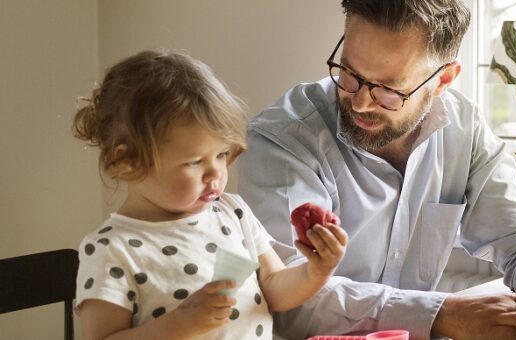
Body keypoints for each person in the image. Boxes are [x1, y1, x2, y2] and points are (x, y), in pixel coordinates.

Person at [237, 1, 516, 339]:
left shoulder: (464, 127)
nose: (360, 102)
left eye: (389, 89)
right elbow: (289, 297)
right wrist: (445, 314)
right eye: (348, 73)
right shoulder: (281, 139)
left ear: (443, 80)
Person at [71, 51, 348, 340]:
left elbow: (274, 285)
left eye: (221, 155)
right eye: (194, 162)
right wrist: (179, 324)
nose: (216, 173)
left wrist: (316, 272)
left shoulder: (232, 211)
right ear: (129, 162)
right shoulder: (111, 249)